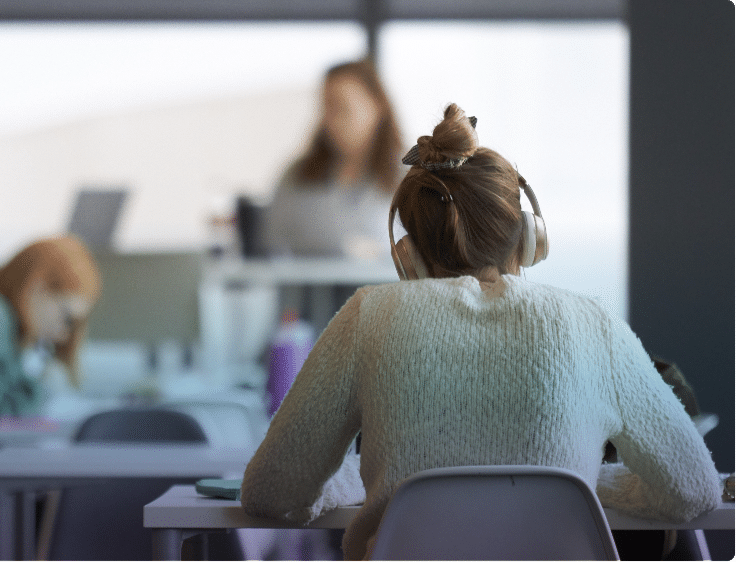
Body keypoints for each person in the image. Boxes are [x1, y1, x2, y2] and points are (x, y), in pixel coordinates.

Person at [241, 104, 723, 560]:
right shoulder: (591, 323)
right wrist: (584, 482)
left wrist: (360, 484)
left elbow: (270, 494)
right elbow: (694, 491)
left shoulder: (370, 315)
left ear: (406, 254)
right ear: (531, 239)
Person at [0, 235, 101, 527]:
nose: (64, 334)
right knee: (79, 514)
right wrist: (35, 389)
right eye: (66, 317)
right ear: (38, 288)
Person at [265, 58, 403, 259]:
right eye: (327, 109)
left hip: (388, 290)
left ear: (377, 106)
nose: (334, 122)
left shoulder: (410, 176)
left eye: (343, 109)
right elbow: (271, 244)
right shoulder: (297, 175)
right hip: (308, 289)